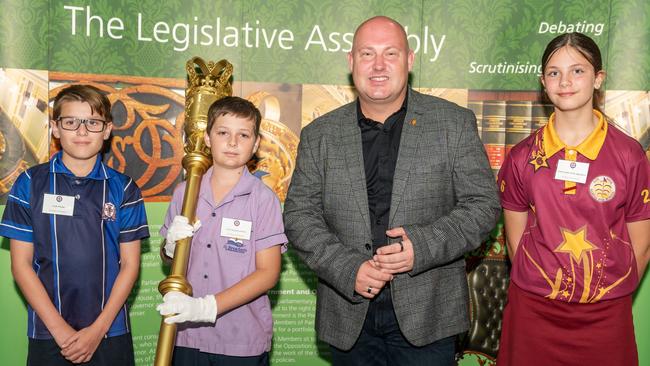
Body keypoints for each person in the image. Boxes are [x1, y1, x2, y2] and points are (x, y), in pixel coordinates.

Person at [283, 16, 500, 366]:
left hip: (428, 316)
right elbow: (299, 216)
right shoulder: (319, 134)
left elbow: (482, 206)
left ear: (410, 61)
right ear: (351, 62)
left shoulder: (453, 123)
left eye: (391, 53)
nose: (379, 65)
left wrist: (422, 247)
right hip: (348, 312)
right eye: (367, 54)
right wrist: (347, 267)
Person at [496, 32, 650, 365]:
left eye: (578, 71)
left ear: (598, 78)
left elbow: (641, 244)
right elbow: (515, 241)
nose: (565, 81)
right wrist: (547, 285)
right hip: (534, 313)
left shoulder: (629, 155)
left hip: (605, 317)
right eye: (554, 72)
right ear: (543, 81)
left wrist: (601, 291)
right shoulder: (522, 156)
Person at [0, 84, 149, 365]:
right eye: (71, 122)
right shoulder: (29, 183)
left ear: (107, 130)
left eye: (92, 122)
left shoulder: (125, 188)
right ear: (55, 128)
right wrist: (60, 330)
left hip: (110, 331)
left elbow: (130, 266)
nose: (82, 131)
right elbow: (20, 265)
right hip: (49, 333)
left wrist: (98, 330)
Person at [157, 96, 287, 365]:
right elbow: (171, 260)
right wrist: (170, 247)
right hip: (186, 335)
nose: (232, 142)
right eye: (223, 132)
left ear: (256, 144)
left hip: (240, 340)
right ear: (207, 138)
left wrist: (207, 307)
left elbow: (268, 272)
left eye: (243, 134)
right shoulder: (185, 193)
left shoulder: (263, 200)